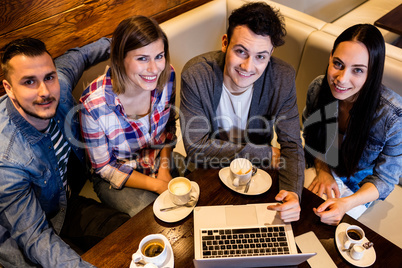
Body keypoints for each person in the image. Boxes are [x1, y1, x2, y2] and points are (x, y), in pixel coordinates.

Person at [0, 37, 130, 267]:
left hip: (63, 204)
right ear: (9, 88)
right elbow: (34, 237)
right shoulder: (8, 159)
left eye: (48, 77)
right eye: (29, 82)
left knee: (126, 230)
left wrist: (122, 42)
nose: (45, 92)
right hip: (19, 231)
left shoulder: (59, 84)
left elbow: (80, 56)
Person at [180, 2, 304, 222]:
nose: (248, 66)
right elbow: (196, 148)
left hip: (257, 174)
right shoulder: (196, 75)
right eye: (241, 52)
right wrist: (264, 153)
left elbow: (292, 145)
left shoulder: (283, 77)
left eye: (261, 57)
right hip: (208, 171)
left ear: (271, 53)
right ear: (225, 43)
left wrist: (292, 194)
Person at [302, 24, 402, 225]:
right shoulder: (317, 89)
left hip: (358, 189)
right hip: (320, 168)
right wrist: (323, 170)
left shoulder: (392, 116)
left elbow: (385, 179)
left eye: (357, 70)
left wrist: (345, 204)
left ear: (371, 73)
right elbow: (311, 138)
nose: (341, 79)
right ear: (330, 57)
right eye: (338, 64)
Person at [80, 15, 176, 217]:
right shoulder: (93, 105)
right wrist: (157, 185)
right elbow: (104, 167)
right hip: (117, 176)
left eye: (159, 56)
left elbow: (168, 130)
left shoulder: (167, 77)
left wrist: (165, 170)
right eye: (142, 58)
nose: (154, 69)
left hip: (157, 160)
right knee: (155, 217)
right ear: (119, 59)